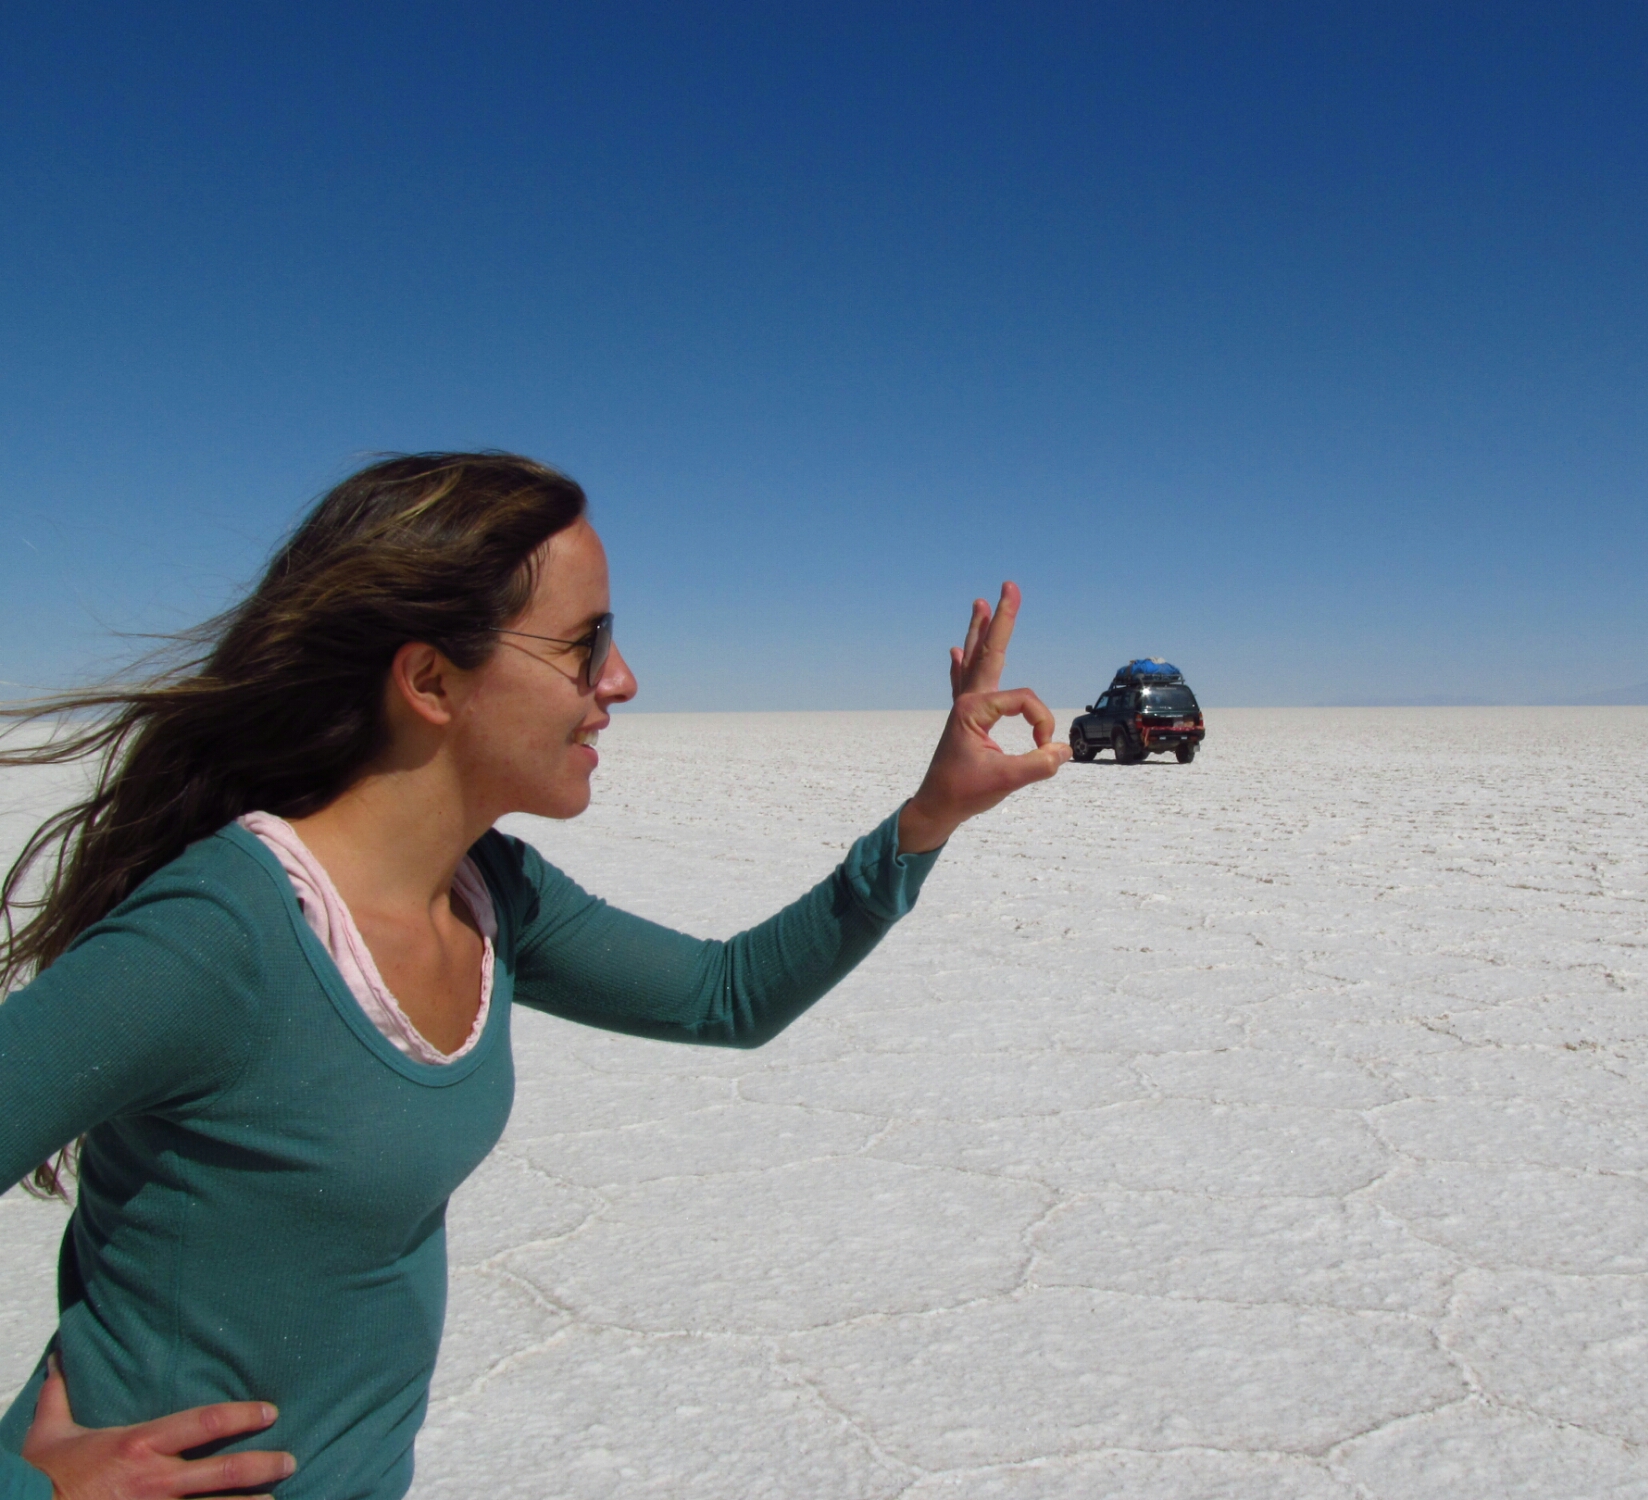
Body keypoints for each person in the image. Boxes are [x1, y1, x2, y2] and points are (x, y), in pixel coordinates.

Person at [0, 452, 1069, 1500]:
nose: (622, 680)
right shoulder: (220, 936)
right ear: (429, 680)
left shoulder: (488, 891)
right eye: (583, 643)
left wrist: (930, 814)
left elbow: (726, 995)